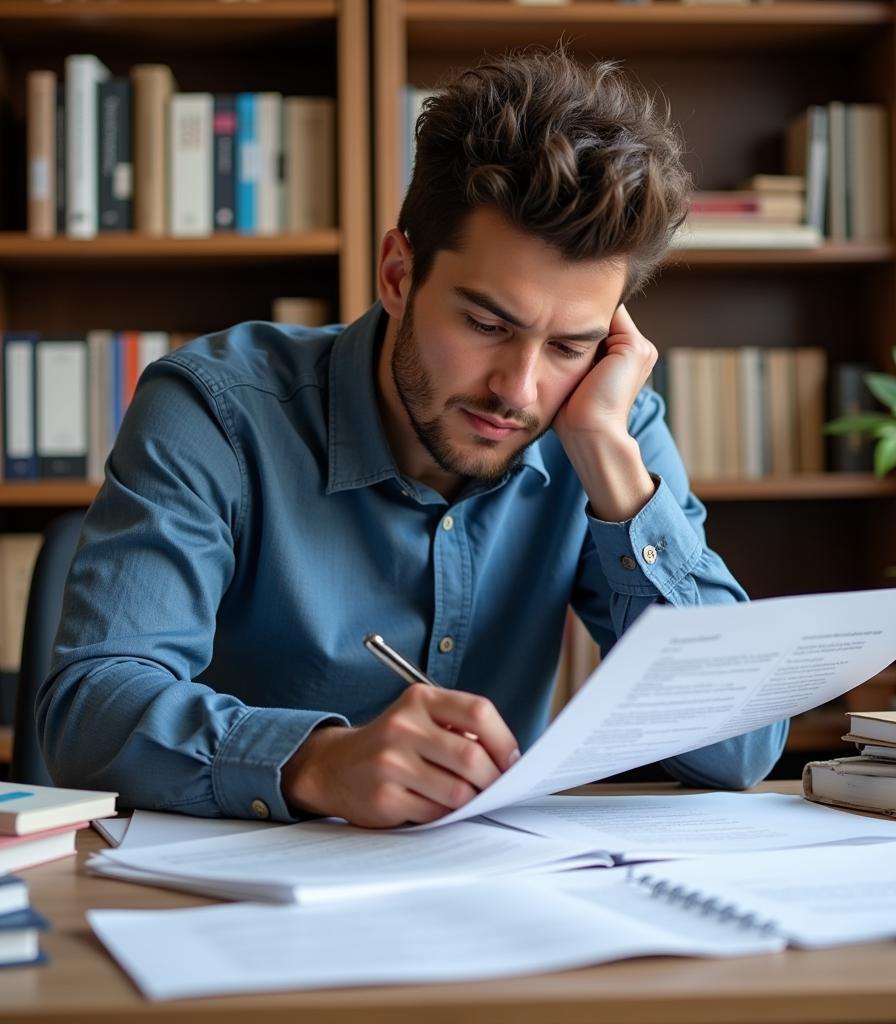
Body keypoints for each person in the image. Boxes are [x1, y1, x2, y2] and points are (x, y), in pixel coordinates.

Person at [38, 47, 787, 828]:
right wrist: (314, 763)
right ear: (398, 273)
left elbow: (740, 749)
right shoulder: (216, 410)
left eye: (569, 346)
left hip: (492, 897)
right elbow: (87, 711)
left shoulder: (608, 425)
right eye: (487, 323)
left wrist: (611, 469)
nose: (518, 390)